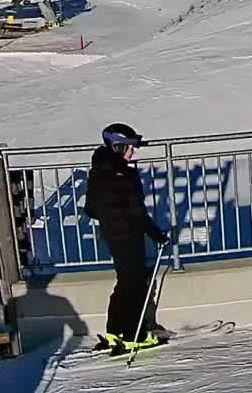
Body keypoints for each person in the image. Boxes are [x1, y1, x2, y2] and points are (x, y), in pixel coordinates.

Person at [85, 122, 172, 353]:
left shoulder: (97, 169)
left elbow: (90, 208)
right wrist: (157, 235)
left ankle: (115, 331)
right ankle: (135, 335)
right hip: (129, 235)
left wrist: (109, 217)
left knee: (124, 283)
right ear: (118, 147)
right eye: (130, 147)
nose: (134, 151)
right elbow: (138, 213)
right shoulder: (125, 174)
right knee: (135, 285)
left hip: (111, 235)